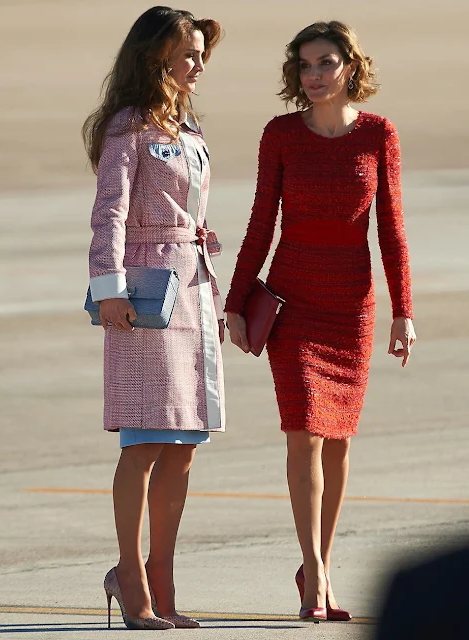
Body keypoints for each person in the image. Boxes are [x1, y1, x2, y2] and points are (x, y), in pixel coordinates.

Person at [225, 20, 416, 622]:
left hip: (352, 304)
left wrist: (404, 311)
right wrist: (235, 299)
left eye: (325, 63)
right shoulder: (280, 134)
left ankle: (319, 565)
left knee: (337, 444)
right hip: (293, 298)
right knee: (303, 430)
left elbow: (391, 229)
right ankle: (314, 575)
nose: (313, 76)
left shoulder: (379, 134)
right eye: (304, 65)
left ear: (349, 67)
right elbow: (261, 221)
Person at [83, 6, 224, 630]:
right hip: (144, 293)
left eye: (199, 53)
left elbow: (176, 205)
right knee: (143, 440)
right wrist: (108, 287)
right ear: (153, 56)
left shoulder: (187, 126)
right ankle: (132, 580)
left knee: (181, 446)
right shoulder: (128, 126)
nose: (196, 64)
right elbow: (109, 211)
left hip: (191, 287)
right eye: (185, 54)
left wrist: (198, 236)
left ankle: (165, 585)